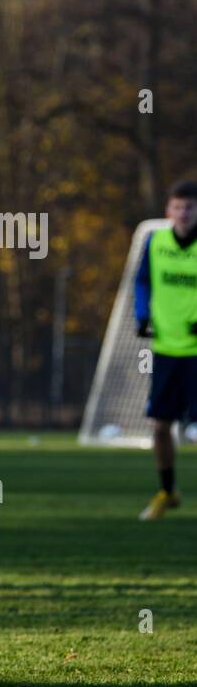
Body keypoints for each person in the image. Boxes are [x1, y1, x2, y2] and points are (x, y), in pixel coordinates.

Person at [135, 180, 197, 520]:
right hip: (166, 349)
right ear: (168, 210)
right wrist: (141, 314)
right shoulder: (155, 242)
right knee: (160, 427)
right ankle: (167, 491)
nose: (183, 213)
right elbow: (142, 280)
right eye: (178, 206)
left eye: (189, 207)